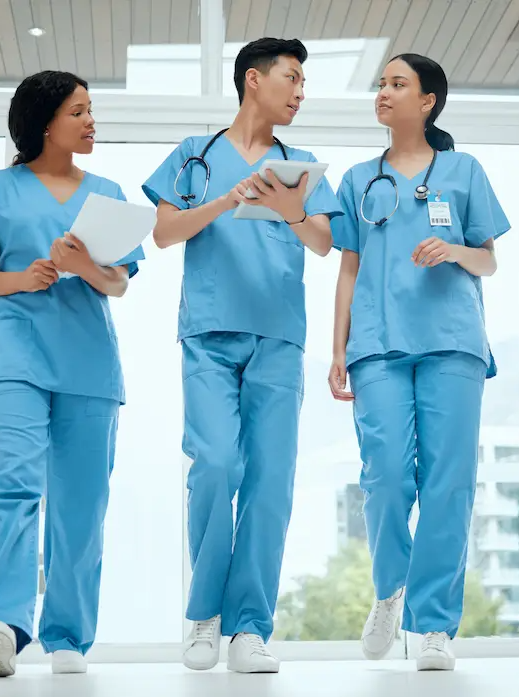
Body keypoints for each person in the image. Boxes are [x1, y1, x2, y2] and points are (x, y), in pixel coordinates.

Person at [141, 37, 342, 673]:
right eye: (293, 78)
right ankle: (205, 615)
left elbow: (322, 244)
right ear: (253, 80)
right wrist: (228, 200)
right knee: (217, 466)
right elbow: (165, 233)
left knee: (270, 484)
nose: (301, 92)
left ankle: (249, 630)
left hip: (279, 336)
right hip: (209, 332)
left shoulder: (303, 164)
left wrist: (289, 209)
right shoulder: (193, 156)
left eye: (304, 82)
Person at [0, 70, 144, 678]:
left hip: (88, 364)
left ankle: (68, 637)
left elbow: (121, 283)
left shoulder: (106, 192)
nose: (90, 121)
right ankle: (2, 623)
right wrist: (20, 279)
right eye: (79, 111)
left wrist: (85, 266)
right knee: (15, 480)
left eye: (90, 110)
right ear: (46, 121)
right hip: (14, 356)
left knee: (81, 505)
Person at [328, 54, 510, 671]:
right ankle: (390, 590)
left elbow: (487, 260)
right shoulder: (358, 179)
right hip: (377, 343)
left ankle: (432, 626)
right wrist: (337, 349)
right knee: (384, 477)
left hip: (451, 340)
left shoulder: (463, 171)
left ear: (427, 100)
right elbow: (348, 265)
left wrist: (454, 249)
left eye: (397, 84)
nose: (383, 92)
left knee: (447, 484)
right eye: (381, 83)